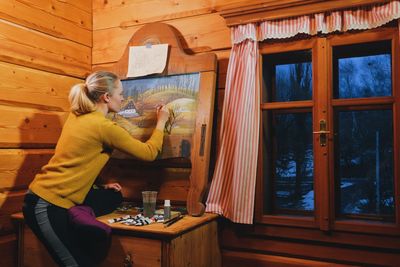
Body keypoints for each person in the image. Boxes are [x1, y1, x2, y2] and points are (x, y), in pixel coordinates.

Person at [22, 71, 169, 266]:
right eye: (120, 93)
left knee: (113, 196)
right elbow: (149, 153)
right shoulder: (104, 127)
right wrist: (161, 122)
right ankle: (78, 215)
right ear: (106, 97)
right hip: (45, 204)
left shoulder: (76, 116)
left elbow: (79, 157)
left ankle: (80, 211)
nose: (123, 98)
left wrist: (99, 185)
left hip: (53, 197)